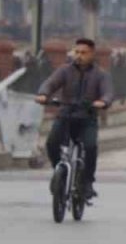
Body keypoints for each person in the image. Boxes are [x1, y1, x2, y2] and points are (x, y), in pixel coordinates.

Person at [35, 38, 112, 198]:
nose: (79, 56)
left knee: (90, 147)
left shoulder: (100, 75)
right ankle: (59, 173)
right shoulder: (65, 71)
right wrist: (43, 94)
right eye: (76, 52)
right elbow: (50, 83)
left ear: (91, 54)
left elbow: (108, 92)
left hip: (87, 118)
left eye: (83, 53)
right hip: (65, 116)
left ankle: (87, 182)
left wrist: (102, 101)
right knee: (51, 143)